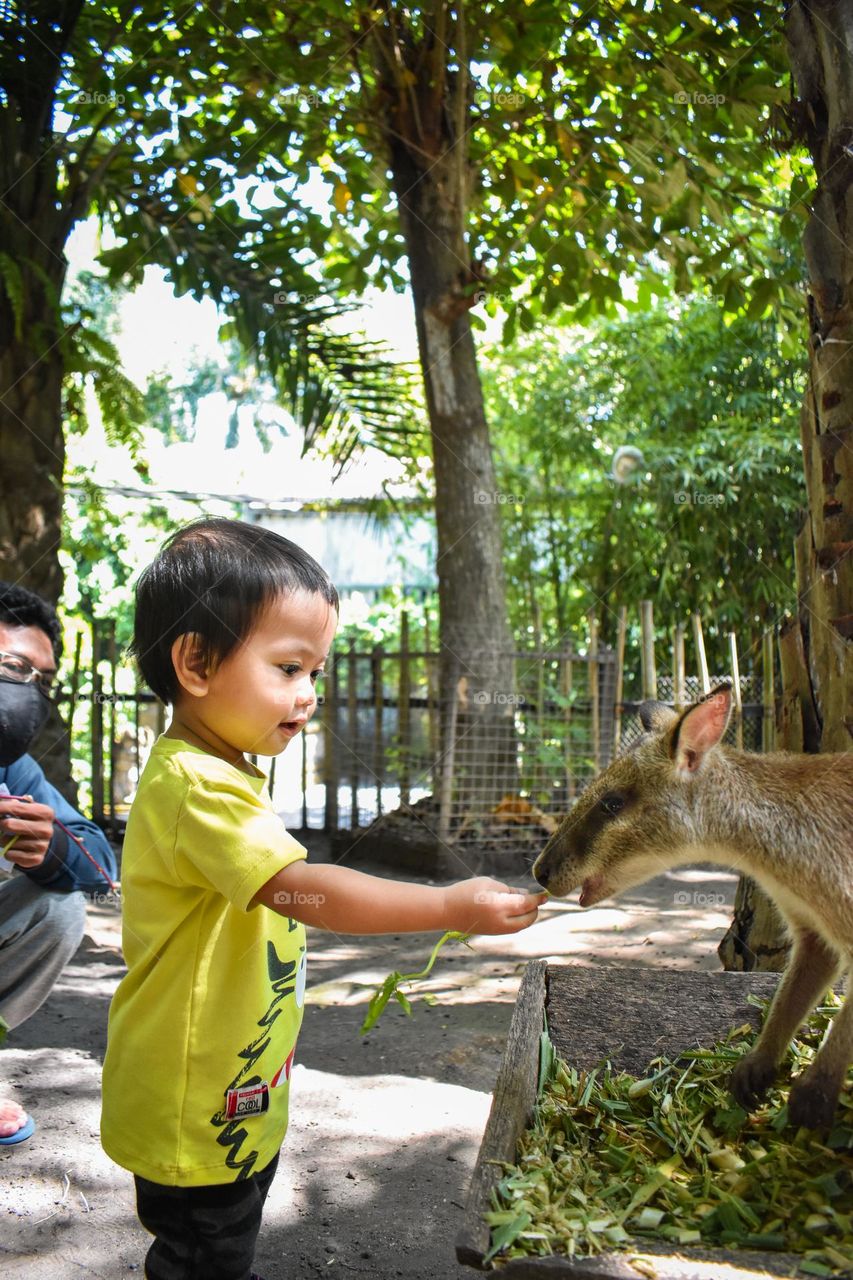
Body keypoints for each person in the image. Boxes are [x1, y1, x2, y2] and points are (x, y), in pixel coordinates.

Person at [101, 517, 546, 1280]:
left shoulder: (222, 770)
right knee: (205, 1257)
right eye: (288, 667)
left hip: (230, 1086)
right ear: (196, 661)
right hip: (192, 1100)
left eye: (317, 673)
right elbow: (303, 889)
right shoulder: (193, 786)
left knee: (218, 1245)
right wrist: (447, 908)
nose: (307, 695)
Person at [0, 581, 118, 1145]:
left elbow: (101, 872)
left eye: (40, 680)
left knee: (60, 903)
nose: (29, 691)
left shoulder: (13, 770)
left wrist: (54, 852)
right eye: (15, 666)